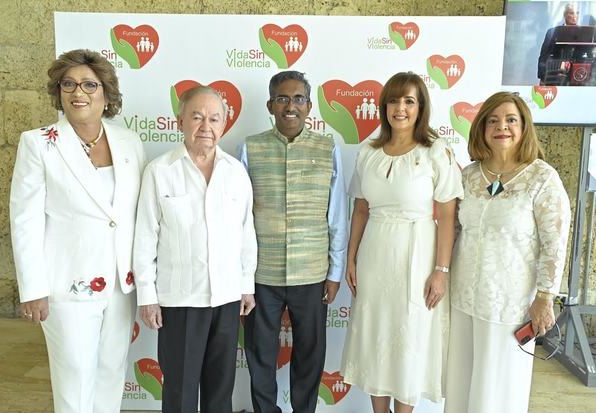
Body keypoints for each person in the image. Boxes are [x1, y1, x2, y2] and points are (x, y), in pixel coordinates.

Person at [9, 49, 146, 412]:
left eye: (89, 84)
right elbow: (25, 219)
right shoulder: (38, 143)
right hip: (65, 286)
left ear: (106, 93)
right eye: (68, 84)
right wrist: (32, 289)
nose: (78, 92)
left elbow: (135, 215)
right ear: (59, 92)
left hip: (120, 283)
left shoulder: (129, 142)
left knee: (110, 371)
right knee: (74, 378)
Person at [340, 72, 463, 413]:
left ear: (420, 106)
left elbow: (448, 216)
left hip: (418, 253)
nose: (400, 108)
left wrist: (441, 270)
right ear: (384, 107)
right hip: (375, 252)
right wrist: (350, 259)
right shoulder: (368, 151)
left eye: (409, 100)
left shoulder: (436, 151)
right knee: (375, 334)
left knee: (410, 335)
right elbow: (361, 209)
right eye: (394, 100)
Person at [444, 92, 571, 413]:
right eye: (493, 120)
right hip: (462, 298)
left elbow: (554, 243)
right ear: (482, 128)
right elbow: (453, 231)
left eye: (511, 120)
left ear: (524, 126)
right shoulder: (469, 175)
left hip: (508, 304)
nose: (502, 127)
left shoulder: (542, 178)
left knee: (496, 391)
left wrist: (545, 296)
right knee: (460, 386)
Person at [133, 86, 257, 413]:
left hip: (227, 298)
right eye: (197, 117)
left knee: (220, 389)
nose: (206, 126)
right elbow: (145, 236)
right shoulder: (159, 172)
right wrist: (147, 296)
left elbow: (246, 233)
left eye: (214, 118)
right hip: (180, 300)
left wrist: (246, 286)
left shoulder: (235, 173)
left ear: (224, 124)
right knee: (180, 390)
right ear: (180, 121)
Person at [238, 70, 348, 413]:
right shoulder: (250, 147)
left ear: (309, 106)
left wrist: (335, 272)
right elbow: (240, 216)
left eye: (298, 99)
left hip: (312, 272)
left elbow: (338, 214)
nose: (290, 106)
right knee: (259, 353)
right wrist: (242, 275)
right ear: (271, 105)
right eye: (282, 99)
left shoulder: (327, 147)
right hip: (262, 274)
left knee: (311, 353)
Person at [537, 3, 579, 82]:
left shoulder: (585, 33)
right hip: (555, 76)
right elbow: (544, 56)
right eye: (571, 13)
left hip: (578, 77)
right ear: (565, 15)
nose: (575, 16)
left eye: (577, 13)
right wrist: (543, 77)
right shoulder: (553, 32)